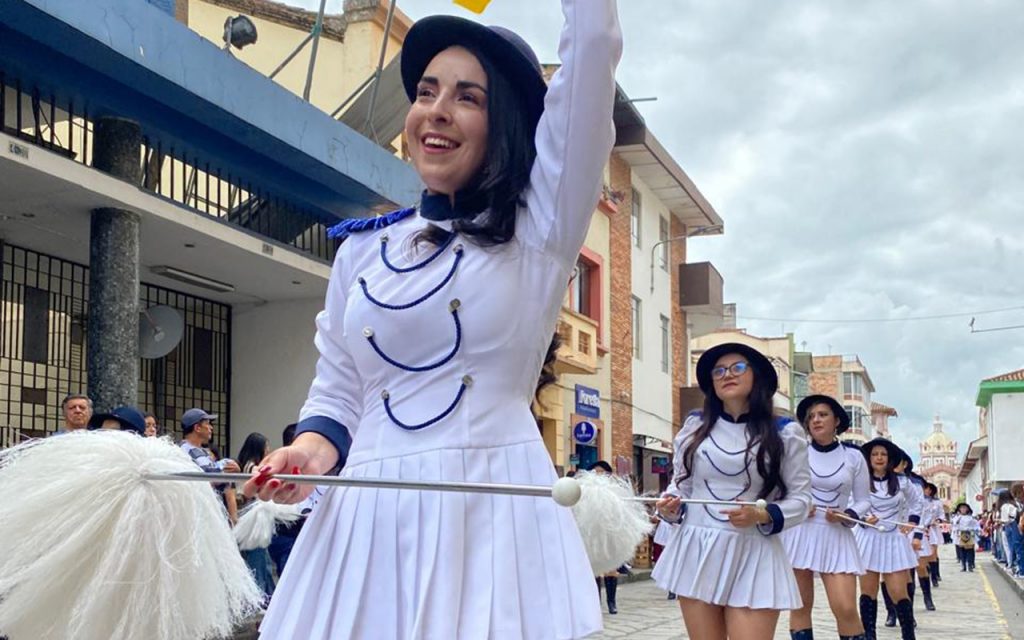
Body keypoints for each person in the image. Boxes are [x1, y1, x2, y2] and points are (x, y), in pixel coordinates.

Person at [244, 2, 623, 637]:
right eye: (426, 91)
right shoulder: (361, 250)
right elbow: (339, 392)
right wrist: (305, 458)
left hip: (488, 519)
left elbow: (593, 51)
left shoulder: (540, 229)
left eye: (467, 97)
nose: (436, 110)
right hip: (363, 524)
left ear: (505, 122)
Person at [652, 342, 811, 640]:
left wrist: (763, 514)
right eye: (719, 370)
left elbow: (802, 500)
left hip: (754, 551)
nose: (727, 375)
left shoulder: (785, 432)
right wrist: (671, 506)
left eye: (737, 367)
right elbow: (682, 486)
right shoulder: (694, 428)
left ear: (757, 376)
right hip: (697, 547)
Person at [780, 395, 869, 640]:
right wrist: (796, 506)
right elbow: (780, 490)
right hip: (800, 533)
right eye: (811, 417)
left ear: (837, 420)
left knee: (846, 608)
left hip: (836, 535)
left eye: (822, 414)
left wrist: (848, 514)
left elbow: (864, 500)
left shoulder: (854, 456)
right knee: (799, 606)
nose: (816, 420)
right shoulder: (795, 453)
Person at [853, 438, 921, 640]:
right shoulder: (860, 481)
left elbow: (917, 503)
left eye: (883, 454)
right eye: (874, 454)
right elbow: (851, 504)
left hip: (894, 539)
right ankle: (869, 636)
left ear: (889, 458)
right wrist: (864, 518)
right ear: (869, 458)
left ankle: (908, 635)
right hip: (868, 539)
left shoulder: (902, 482)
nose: (879, 458)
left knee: (899, 591)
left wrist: (912, 522)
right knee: (868, 592)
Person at [236, 433, 276, 601]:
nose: (269, 451)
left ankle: (266, 598)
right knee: (258, 561)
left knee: (261, 560)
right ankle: (259, 599)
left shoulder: (244, 466)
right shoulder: (253, 469)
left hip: (248, 519)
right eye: (267, 447)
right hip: (254, 521)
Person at [588, 459, 622, 615]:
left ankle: (611, 602)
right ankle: (595, 602)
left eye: (602, 473)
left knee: (610, 568)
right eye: (596, 473)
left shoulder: (615, 491)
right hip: (591, 534)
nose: (599, 476)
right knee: (594, 569)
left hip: (609, 532)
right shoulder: (585, 491)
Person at [922, 482, 943, 588]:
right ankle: (924, 576)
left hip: (932, 529)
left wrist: (937, 520)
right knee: (922, 556)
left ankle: (934, 577)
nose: (927, 491)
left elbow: (941, 514)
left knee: (933, 553)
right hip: (920, 529)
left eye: (929, 489)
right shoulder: (917, 501)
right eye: (925, 489)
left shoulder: (937, 503)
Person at [951, 502, 980, 571]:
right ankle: (963, 566)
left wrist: (975, 531)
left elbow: (976, 526)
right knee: (962, 551)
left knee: (970, 550)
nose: (963, 509)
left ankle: (970, 565)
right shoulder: (957, 518)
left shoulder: (971, 518)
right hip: (960, 535)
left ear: (967, 509)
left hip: (969, 534)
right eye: (961, 508)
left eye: (964, 508)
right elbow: (954, 526)